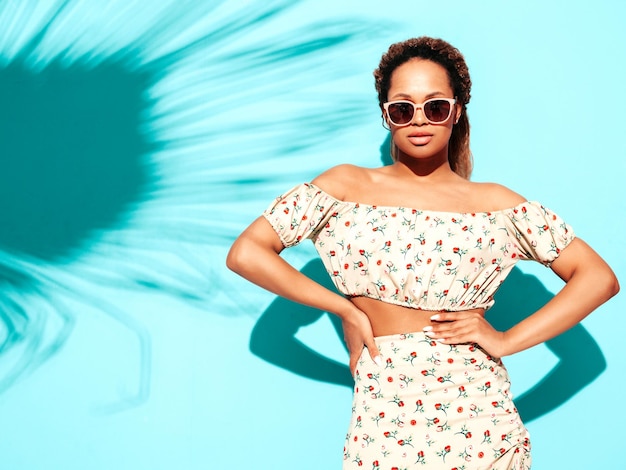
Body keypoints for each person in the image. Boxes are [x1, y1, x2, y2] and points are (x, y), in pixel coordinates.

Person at [226, 36, 619, 469]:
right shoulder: (343, 187)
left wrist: (505, 341)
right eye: (402, 108)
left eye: (434, 107)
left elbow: (598, 278)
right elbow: (247, 252)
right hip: (383, 414)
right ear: (386, 116)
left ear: (457, 111)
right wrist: (345, 309)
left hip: (480, 416)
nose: (419, 120)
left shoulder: (496, 204)